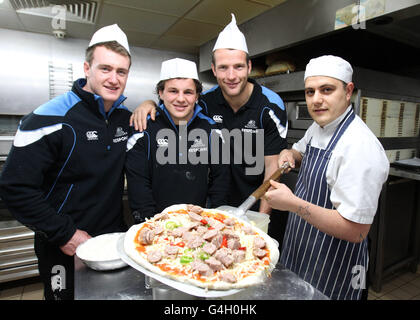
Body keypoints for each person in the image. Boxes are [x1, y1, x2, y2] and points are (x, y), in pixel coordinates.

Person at [0, 24, 132, 300]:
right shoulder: (49, 118)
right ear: (86, 68)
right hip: (61, 243)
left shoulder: (125, 119)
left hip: (111, 241)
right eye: (105, 68)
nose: (113, 78)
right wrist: (65, 234)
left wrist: (151, 105)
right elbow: (15, 188)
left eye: (121, 71)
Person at [130, 14, 288, 242]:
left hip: (253, 206)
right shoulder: (205, 102)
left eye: (238, 67)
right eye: (223, 67)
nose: (231, 75)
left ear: (249, 67)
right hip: (212, 211)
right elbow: (177, 104)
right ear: (213, 69)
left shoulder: (270, 106)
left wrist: (259, 225)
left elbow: (272, 169)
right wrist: (149, 104)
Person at [264, 55, 389, 300]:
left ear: (348, 91)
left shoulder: (359, 147)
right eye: (310, 92)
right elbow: (300, 151)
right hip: (302, 249)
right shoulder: (319, 126)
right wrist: (289, 153)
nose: (316, 100)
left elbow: (357, 231)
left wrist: (292, 204)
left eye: (327, 90)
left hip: (335, 266)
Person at [125, 58, 229, 222]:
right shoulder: (143, 129)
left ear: (197, 96)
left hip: (199, 224)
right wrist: (152, 226)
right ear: (161, 93)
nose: (181, 99)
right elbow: (138, 183)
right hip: (154, 223)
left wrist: (211, 221)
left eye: (188, 92)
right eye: (173, 91)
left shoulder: (211, 130)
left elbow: (221, 181)